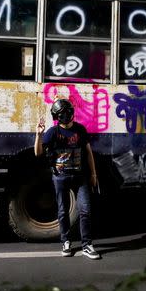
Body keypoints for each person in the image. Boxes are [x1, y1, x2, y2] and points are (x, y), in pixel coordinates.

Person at [35, 99, 101, 260]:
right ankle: (66, 242)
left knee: (85, 210)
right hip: (60, 177)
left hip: (81, 177)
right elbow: (38, 153)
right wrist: (39, 135)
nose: (67, 115)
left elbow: (89, 153)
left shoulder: (80, 130)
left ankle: (87, 245)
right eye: (62, 113)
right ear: (57, 116)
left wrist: (93, 174)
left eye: (68, 111)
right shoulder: (52, 132)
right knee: (63, 212)